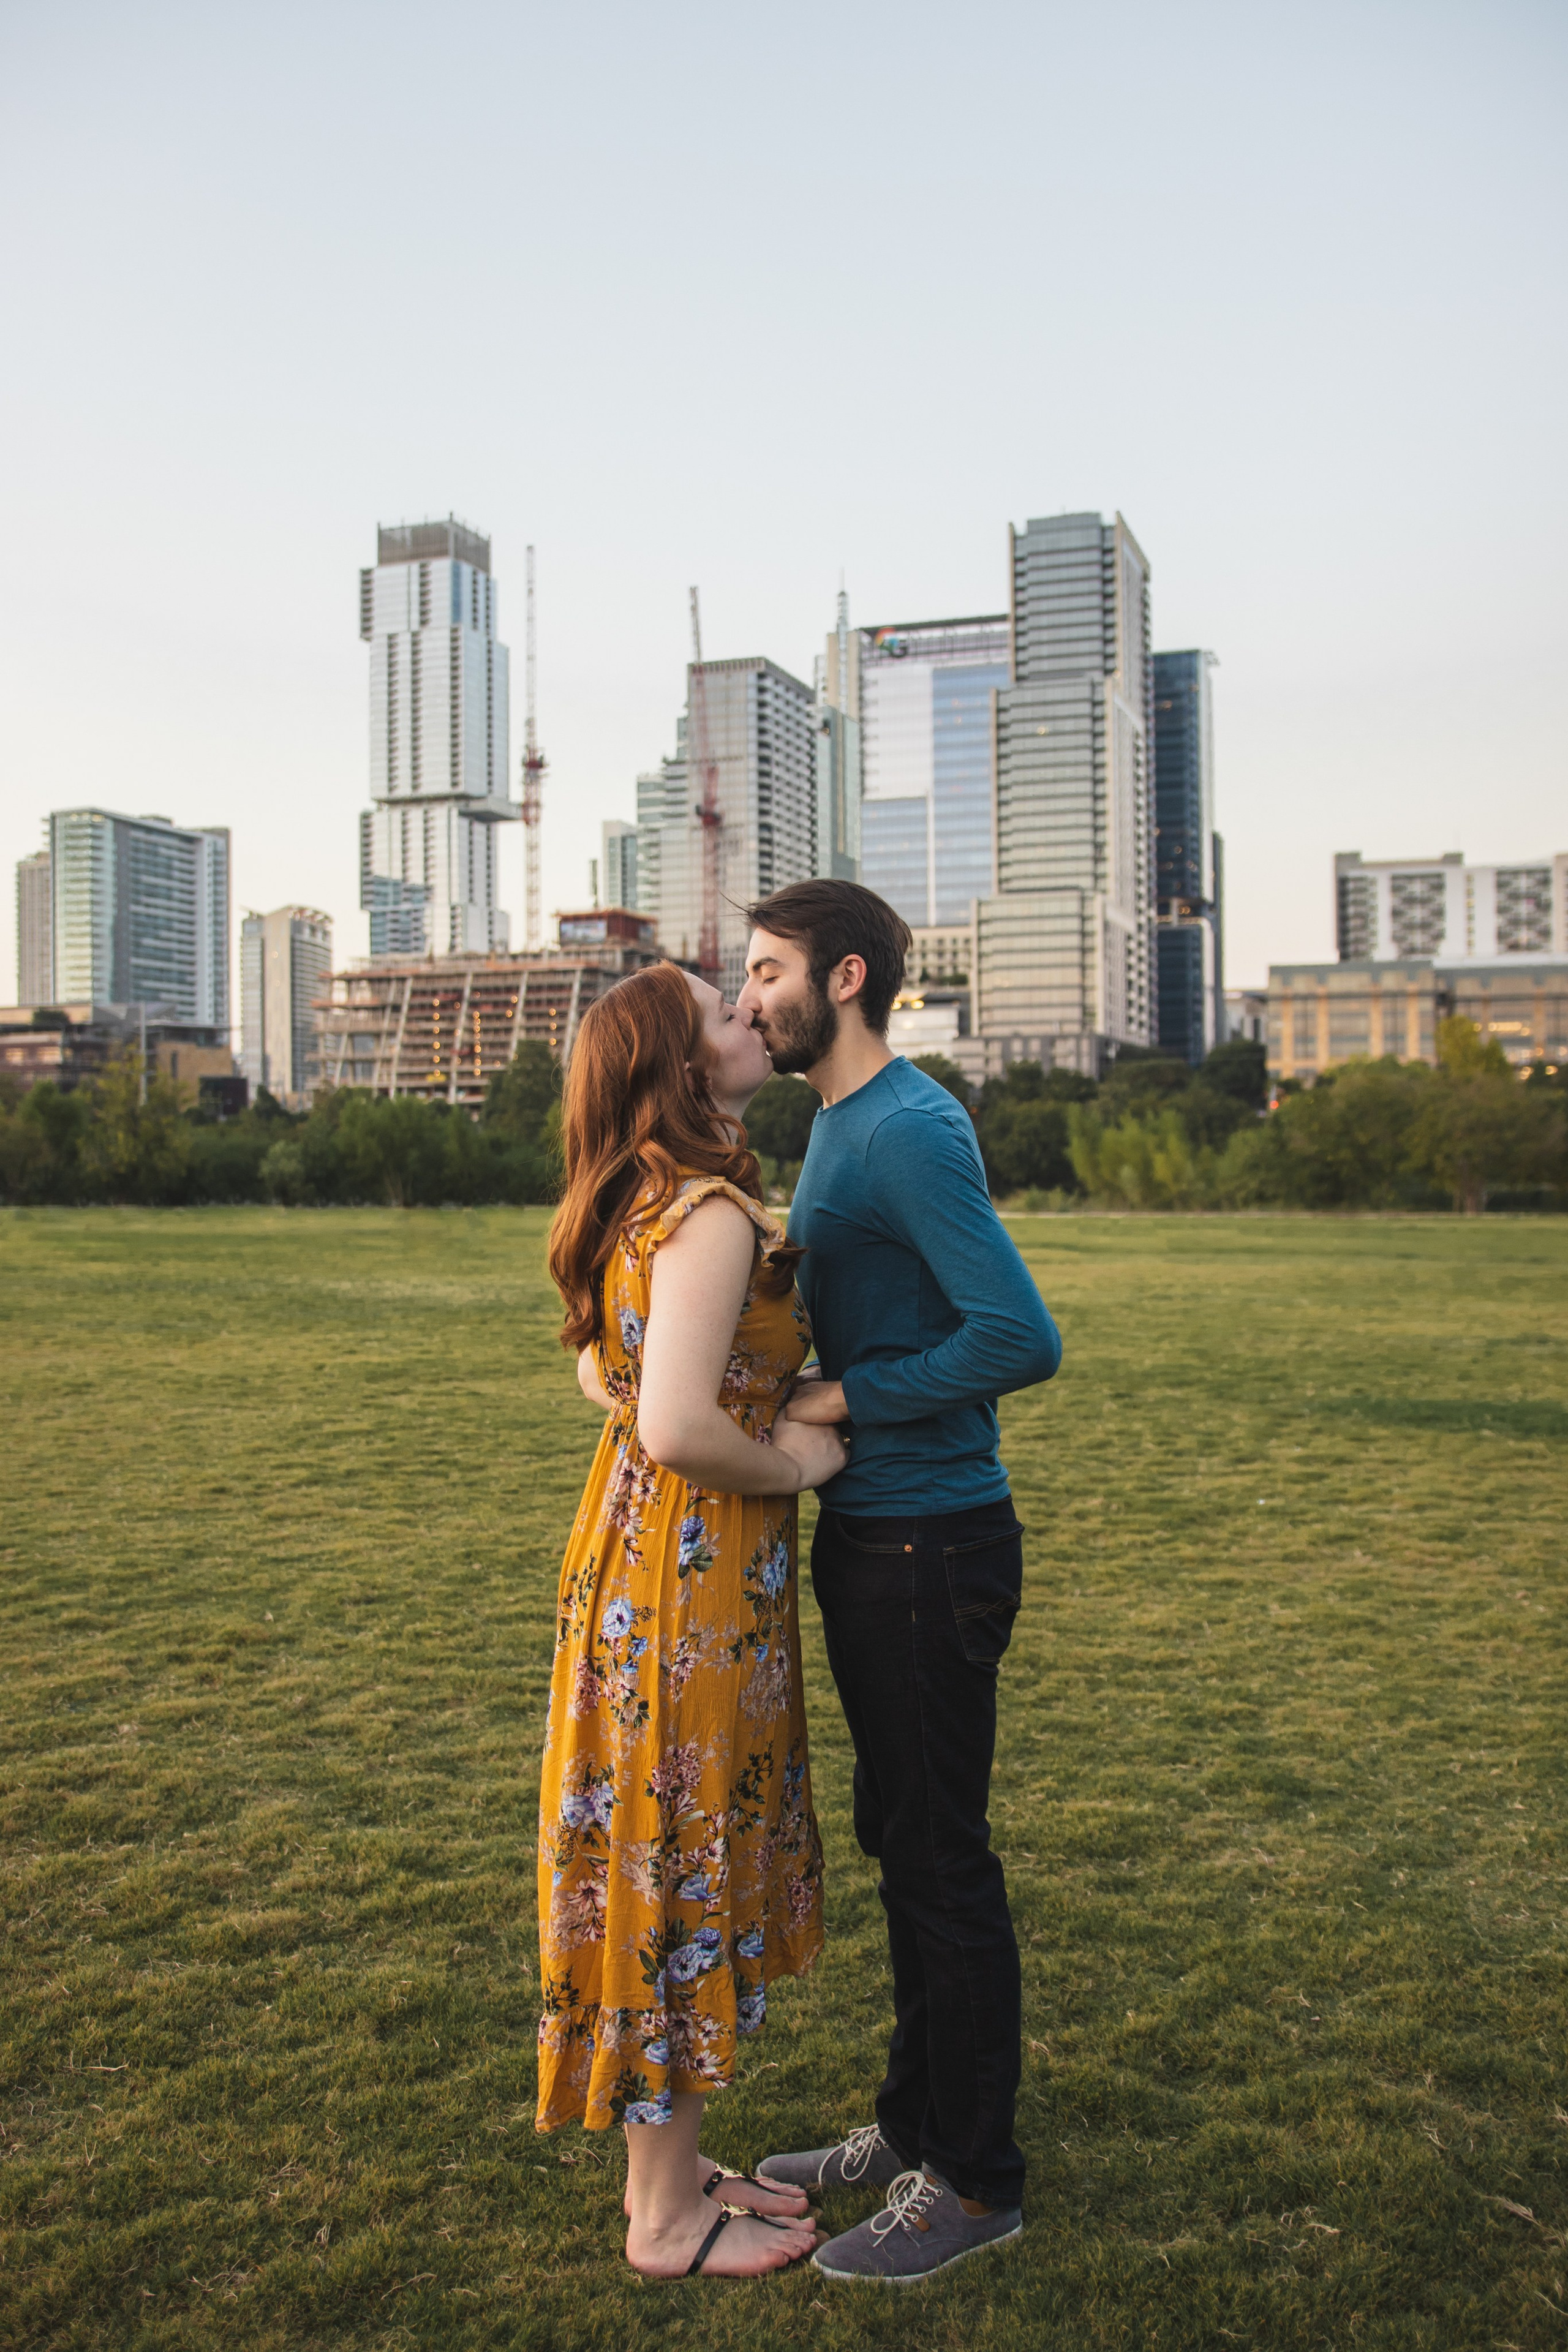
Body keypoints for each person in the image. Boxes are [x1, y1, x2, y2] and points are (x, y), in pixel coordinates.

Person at [736, 880, 1063, 2285]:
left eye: (764, 973)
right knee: (900, 1839)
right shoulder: (831, 1122)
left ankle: (975, 2181)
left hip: (931, 1539)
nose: (747, 998)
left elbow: (1018, 1338)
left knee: (940, 1862)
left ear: (845, 976)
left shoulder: (911, 1128)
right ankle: (913, 2123)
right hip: (874, 1536)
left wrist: (847, 1398)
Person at [537, 959, 850, 2279]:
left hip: (631, 1558)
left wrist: (786, 1401)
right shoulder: (709, 1212)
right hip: (692, 1582)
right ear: (680, 1068)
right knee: (679, 1853)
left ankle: (673, 2172)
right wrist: (788, 1463)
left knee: (661, 1850)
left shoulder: (632, 1202)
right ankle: (663, 2224)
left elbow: (604, 1376)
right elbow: (672, 1417)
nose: (747, 1020)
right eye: (722, 1013)